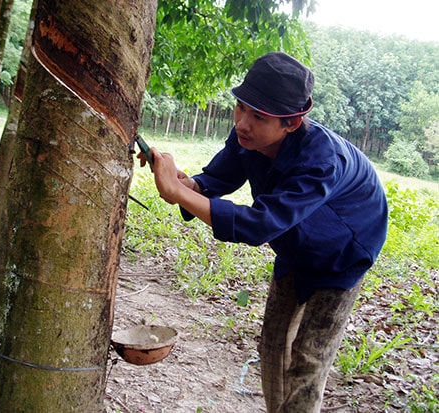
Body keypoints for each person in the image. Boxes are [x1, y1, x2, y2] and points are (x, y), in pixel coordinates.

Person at [139, 52, 388, 412]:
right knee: (272, 344)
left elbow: (259, 224)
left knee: (309, 359)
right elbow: (218, 179)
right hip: (293, 244)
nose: (243, 122)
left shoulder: (321, 160)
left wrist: (178, 193)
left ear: (292, 122)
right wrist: (185, 182)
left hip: (344, 253)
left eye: (259, 116)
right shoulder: (246, 138)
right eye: (241, 107)